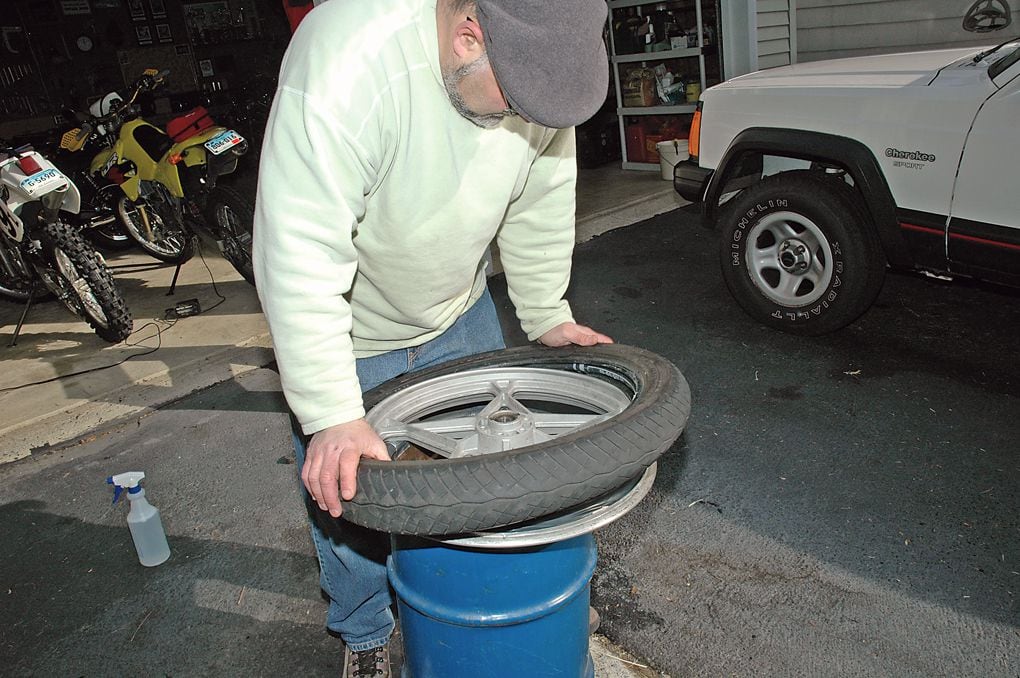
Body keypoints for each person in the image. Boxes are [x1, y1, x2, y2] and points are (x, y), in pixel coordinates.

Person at [252, 0, 613, 675]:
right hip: (350, 338)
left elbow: (541, 191)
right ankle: (364, 632)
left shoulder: (530, 65)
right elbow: (297, 252)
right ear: (469, 34)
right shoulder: (346, 63)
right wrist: (331, 411)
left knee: (490, 481)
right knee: (349, 503)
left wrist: (545, 313)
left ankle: (518, 597)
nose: (523, 121)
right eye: (514, 103)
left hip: (459, 313)